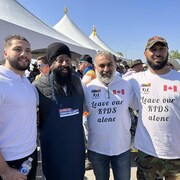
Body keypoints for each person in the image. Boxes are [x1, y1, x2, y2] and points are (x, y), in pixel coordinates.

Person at [126, 36, 180, 179]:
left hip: (176, 155)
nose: (157, 53)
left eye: (161, 49)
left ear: (167, 51)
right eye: (153, 49)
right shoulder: (134, 80)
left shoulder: (178, 79)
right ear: (145, 53)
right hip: (147, 153)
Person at [33, 42, 85, 180]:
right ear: (50, 63)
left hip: (75, 152)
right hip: (54, 154)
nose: (64, 64)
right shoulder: (38, 87)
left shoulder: (77, 82)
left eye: (67, 60)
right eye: (59, 60)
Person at [83, 50, 137, 180]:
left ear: (115, 65)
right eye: (101, 65)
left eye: (109, 64)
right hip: (97, 149)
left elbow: (141, 108)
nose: (106, 69)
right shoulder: (87, 88)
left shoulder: (127, 86)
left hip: (122, 149)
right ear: (95, 67)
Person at [0, 35, 38, 180]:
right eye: (17, 49)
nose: (24, 54)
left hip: (30, 155)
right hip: (8, 162)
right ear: (5, 53)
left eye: (28, 50)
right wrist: (4, 171)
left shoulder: (26, 81)